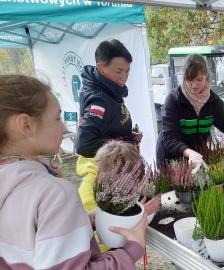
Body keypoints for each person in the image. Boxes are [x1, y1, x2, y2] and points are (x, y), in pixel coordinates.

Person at [0, 75, 146, 269]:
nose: (63, 128)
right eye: (57, 118)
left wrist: (79, 222)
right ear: (26, 125)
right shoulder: (55, 195)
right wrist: (131, 250)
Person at [156, 54, 224, 171]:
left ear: (206, 76)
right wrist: (191, 154)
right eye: (189, 80)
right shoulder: (173, 100)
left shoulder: (213, 102)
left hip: (197, 158)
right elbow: (170, 139)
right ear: (184, 77)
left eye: (199, 79)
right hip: (169, 159)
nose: (194, 85)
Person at [78, 140, 160, 253]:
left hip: (120, 244)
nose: (134, 189)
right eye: (129, 186)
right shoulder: (89, 191)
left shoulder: (114, 185)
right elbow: (105, 225)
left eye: (136, 183)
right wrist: (140, 213)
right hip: (101, 250)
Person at [76, 39, 143, 158]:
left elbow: (107, 126)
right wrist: (122, 145)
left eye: (127, 71)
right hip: (111, 169)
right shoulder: (99, 101)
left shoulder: (109, 87)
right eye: (119, 71)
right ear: (101, 68)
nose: (124, 77)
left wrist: (127, 135)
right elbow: (84, 145)